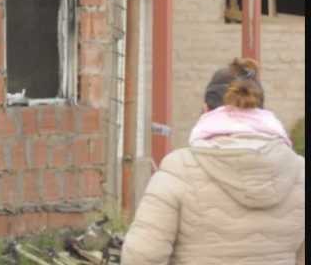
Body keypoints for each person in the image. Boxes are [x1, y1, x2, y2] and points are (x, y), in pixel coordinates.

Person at [122, 58, 305, 265]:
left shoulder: (178, 169)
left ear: (205, 109)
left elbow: (141, 258)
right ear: (260, 110)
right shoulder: (299, 171)